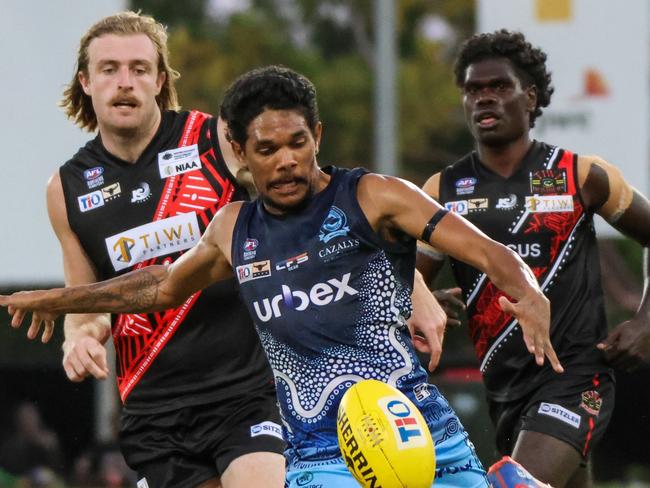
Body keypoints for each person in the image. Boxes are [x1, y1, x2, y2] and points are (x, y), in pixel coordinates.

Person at [2, 65, 563, 488]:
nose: (287, 160)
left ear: (316, 134)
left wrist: (529, 293)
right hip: (318, 449)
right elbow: (159, 287)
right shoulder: (231, 228)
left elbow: (486, 250)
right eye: (267, 149)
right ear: (241, 155)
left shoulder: (374, 196)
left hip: (419, 426)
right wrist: (61, 298)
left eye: (298, 142)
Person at [34, 11, 287, 488]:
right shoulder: (65, 188)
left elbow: (314, 198)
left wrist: (411, 283)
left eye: (139, 69)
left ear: (159, 80)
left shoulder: (216, 141)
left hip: (246, 390)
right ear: (86, 82)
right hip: (154, 409)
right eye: (109, 69)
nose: (124, 83)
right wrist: (80, 338)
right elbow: (85, 300)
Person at [419, 30, 650, 488]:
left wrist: (647, 321)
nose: (485, 98)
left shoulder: (581, 176)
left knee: (516, 485)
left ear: (530, 96)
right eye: (473, 90)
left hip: (577, 377)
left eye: (499, 87)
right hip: (502, 388)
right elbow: (404, 286)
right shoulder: (440, 193)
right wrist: (424, 299)